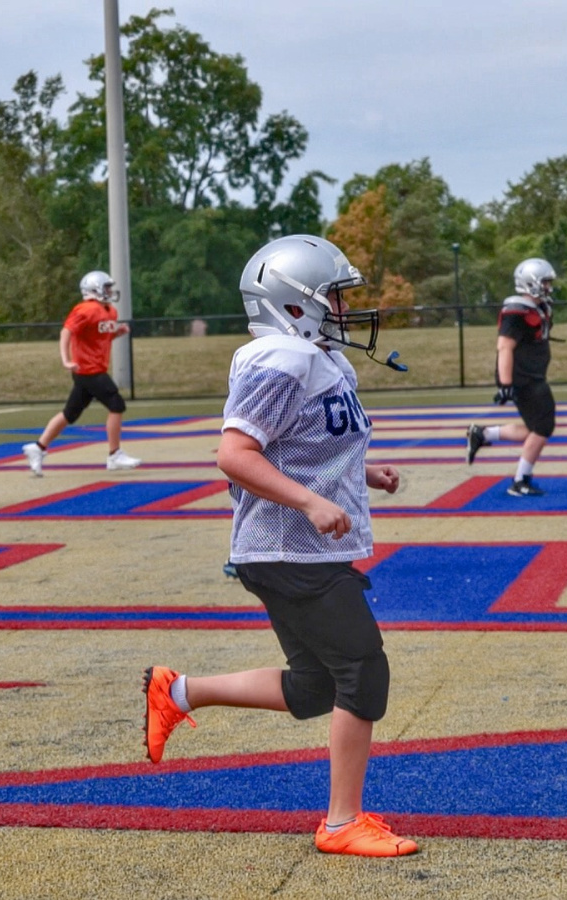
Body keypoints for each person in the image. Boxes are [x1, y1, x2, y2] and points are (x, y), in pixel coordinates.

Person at [142, 234, 417, 858]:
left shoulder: (318, 358)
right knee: (363, 671)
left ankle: (178, 692)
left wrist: (362, 472)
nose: (345, 311)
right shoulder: (282, 358)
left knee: (315, 687)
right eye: (334, 298)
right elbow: (236, 455)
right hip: (287, 548)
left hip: (297, 550)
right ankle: (342, 824)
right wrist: (312, 502)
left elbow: (302, 443)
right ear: (294, 304)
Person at [20, 270, 140, 476]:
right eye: (106, 287)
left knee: (70, 413)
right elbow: (66, 332)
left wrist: (116, 333)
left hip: (93, 369)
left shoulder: (110, 311)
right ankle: (114, 454)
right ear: (94, 289)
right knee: (116, 404)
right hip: (88, 369)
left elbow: (100, 339)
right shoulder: (85, 309)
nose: (110, 291)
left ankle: (38, 448)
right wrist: (65, 359)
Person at [464, 258, 557, 497]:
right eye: (545, 283)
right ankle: (520, 481)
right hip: (525, 378)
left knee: (535, 428)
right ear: (531, 283)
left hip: (532, 376)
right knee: (543, 427)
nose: (548, 287)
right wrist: (505, 384)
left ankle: (483, 434)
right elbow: (504, 347)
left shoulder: (536, 308)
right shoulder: (517, 311)